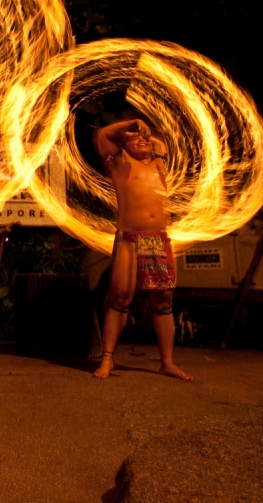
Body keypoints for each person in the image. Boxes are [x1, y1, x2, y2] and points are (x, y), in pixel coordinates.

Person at [93, 119, 192, 381]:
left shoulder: (161, 163)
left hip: (157, 238)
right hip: (130, 237)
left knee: (163, 300)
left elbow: (164, 138)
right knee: (120, 296)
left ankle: (167, 362)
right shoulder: (120, 164)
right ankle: (107, 358)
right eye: (134, 138)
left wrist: (146, 129)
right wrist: (133, 123)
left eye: (144, 137)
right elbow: (101, 135)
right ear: (123, 145)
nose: (142, 139)